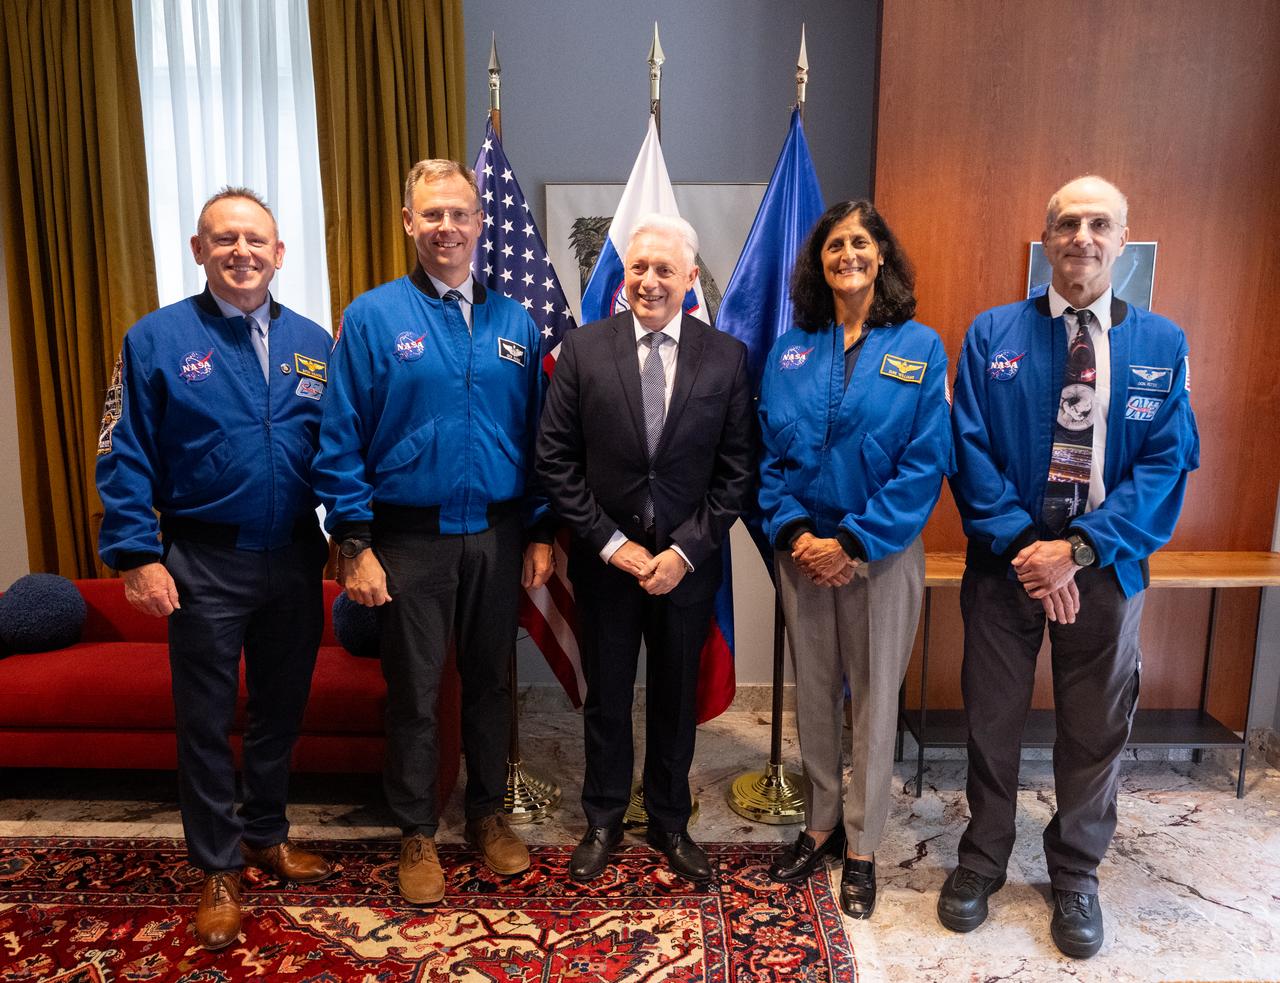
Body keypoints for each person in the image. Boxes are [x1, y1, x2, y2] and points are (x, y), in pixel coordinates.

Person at [939, 176, 1199, 958]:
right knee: (990, 720)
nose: (1081, 236)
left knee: (1094, 730)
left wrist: (1078, 549)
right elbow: (968, 447)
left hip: (1106, 571)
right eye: (1066, 224)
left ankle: (1077, 871)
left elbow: (1166, 464)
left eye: (1099, 224)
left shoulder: (1163, 344)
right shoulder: (993, 334)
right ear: (1046, 240)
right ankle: (982, 858)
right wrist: (1030, 549)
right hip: (1005, 568)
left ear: (1122, 240)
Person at [96, 187, 333, 951]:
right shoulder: (156, 339)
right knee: (203, 721)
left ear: (279, 252)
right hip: (201, 559)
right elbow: (121, 450)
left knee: (280, 709)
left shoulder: (313, 341)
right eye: (224, 239)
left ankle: (266, 832)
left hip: (296, 556)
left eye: (255, 240)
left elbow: (340, 448)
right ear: (198, 250)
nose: (242, 251)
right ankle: (218, 866)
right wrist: (136, 553)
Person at [313, 159, 553, 905]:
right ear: (409, 223)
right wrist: (355, 543)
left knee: (488, 683)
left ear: (481, 225)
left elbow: (541, 434)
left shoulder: (516, 321)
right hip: (406, 539)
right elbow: (340, 435)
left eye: (460, 213)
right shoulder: (373, 316)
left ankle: (485, 815)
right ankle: (416, 830)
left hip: (496, 533)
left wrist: (541, 531)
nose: (447, 227)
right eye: (433, 214)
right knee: (414, 692)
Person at [536, 214, 753, 884]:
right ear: (623, 276)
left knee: (673, 697)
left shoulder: (725, 357)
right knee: (607, 698)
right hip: (607, 568)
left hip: (685, 568)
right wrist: (611, 544)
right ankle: (602, 816)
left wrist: (683, 551)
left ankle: (668, 818)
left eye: (665, 268)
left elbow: (737, 471)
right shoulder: (583, 350)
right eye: (639, 268)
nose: (650, 280)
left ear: (690, 277)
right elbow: (555, 460)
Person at [756, 200, 952, 918]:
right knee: (814, 695)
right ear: (819, 262)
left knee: (873, 703)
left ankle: (863, 845)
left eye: (860, 242)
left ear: (882, 256)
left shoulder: (922, 347)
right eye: (835, 244)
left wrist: (858, 541)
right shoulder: (790, 350)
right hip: (805, 552)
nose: (847, 254)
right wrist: (801, 532)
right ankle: (819, 824)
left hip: (882, 554)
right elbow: (769, 455)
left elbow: (927, 460)